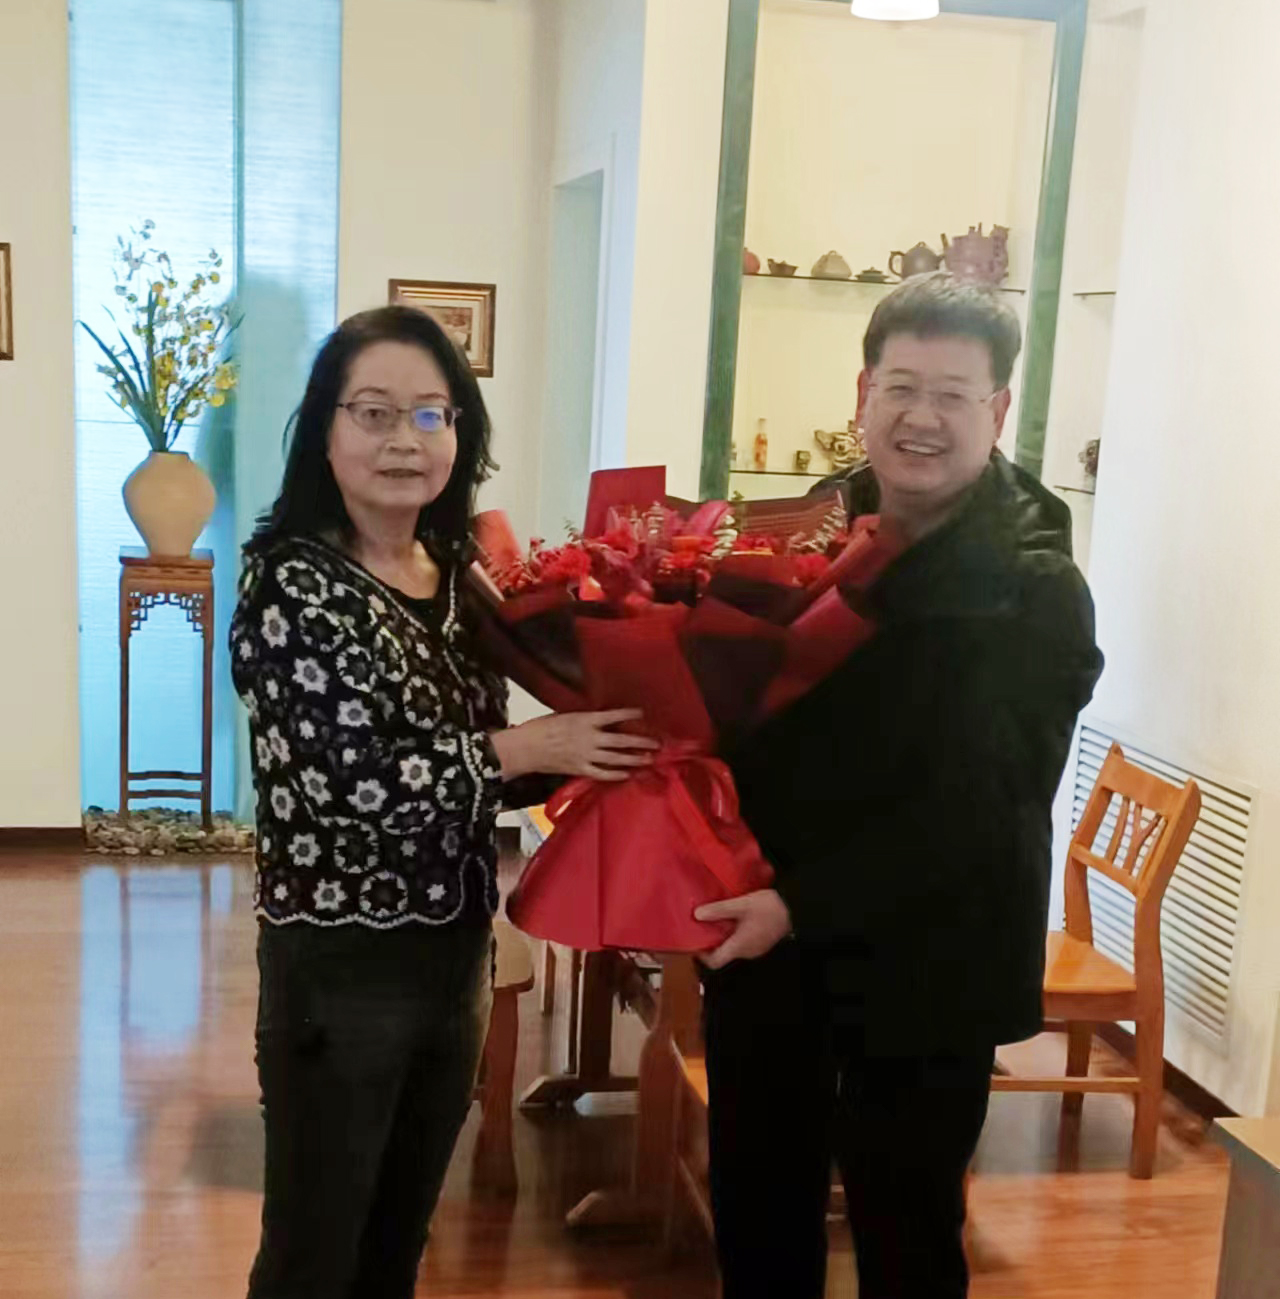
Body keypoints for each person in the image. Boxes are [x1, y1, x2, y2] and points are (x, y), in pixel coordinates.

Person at [230, 305, 656, 1299]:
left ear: (460, 432)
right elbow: (350, 786)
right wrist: (530, 746)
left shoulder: (460, 574)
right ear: (324, 428)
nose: (403, 440)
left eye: (431, 414)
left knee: (399, 1237)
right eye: (373, 412)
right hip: (340, 966)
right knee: (313, 1252)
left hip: (454, 955)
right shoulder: (292, 584)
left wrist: (604, 746)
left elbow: (477, 774)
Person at [693, 273, 1105, 1299]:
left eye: (953, 395)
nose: (922, 418)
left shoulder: (1035, 583)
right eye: (901, 387)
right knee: (757, 1214)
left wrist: (798, 901)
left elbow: (983, 807)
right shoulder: (802, 530)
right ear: (862, 393)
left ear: (996, 411)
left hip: (931, 958)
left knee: (907, 1229)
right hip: (771, 949)